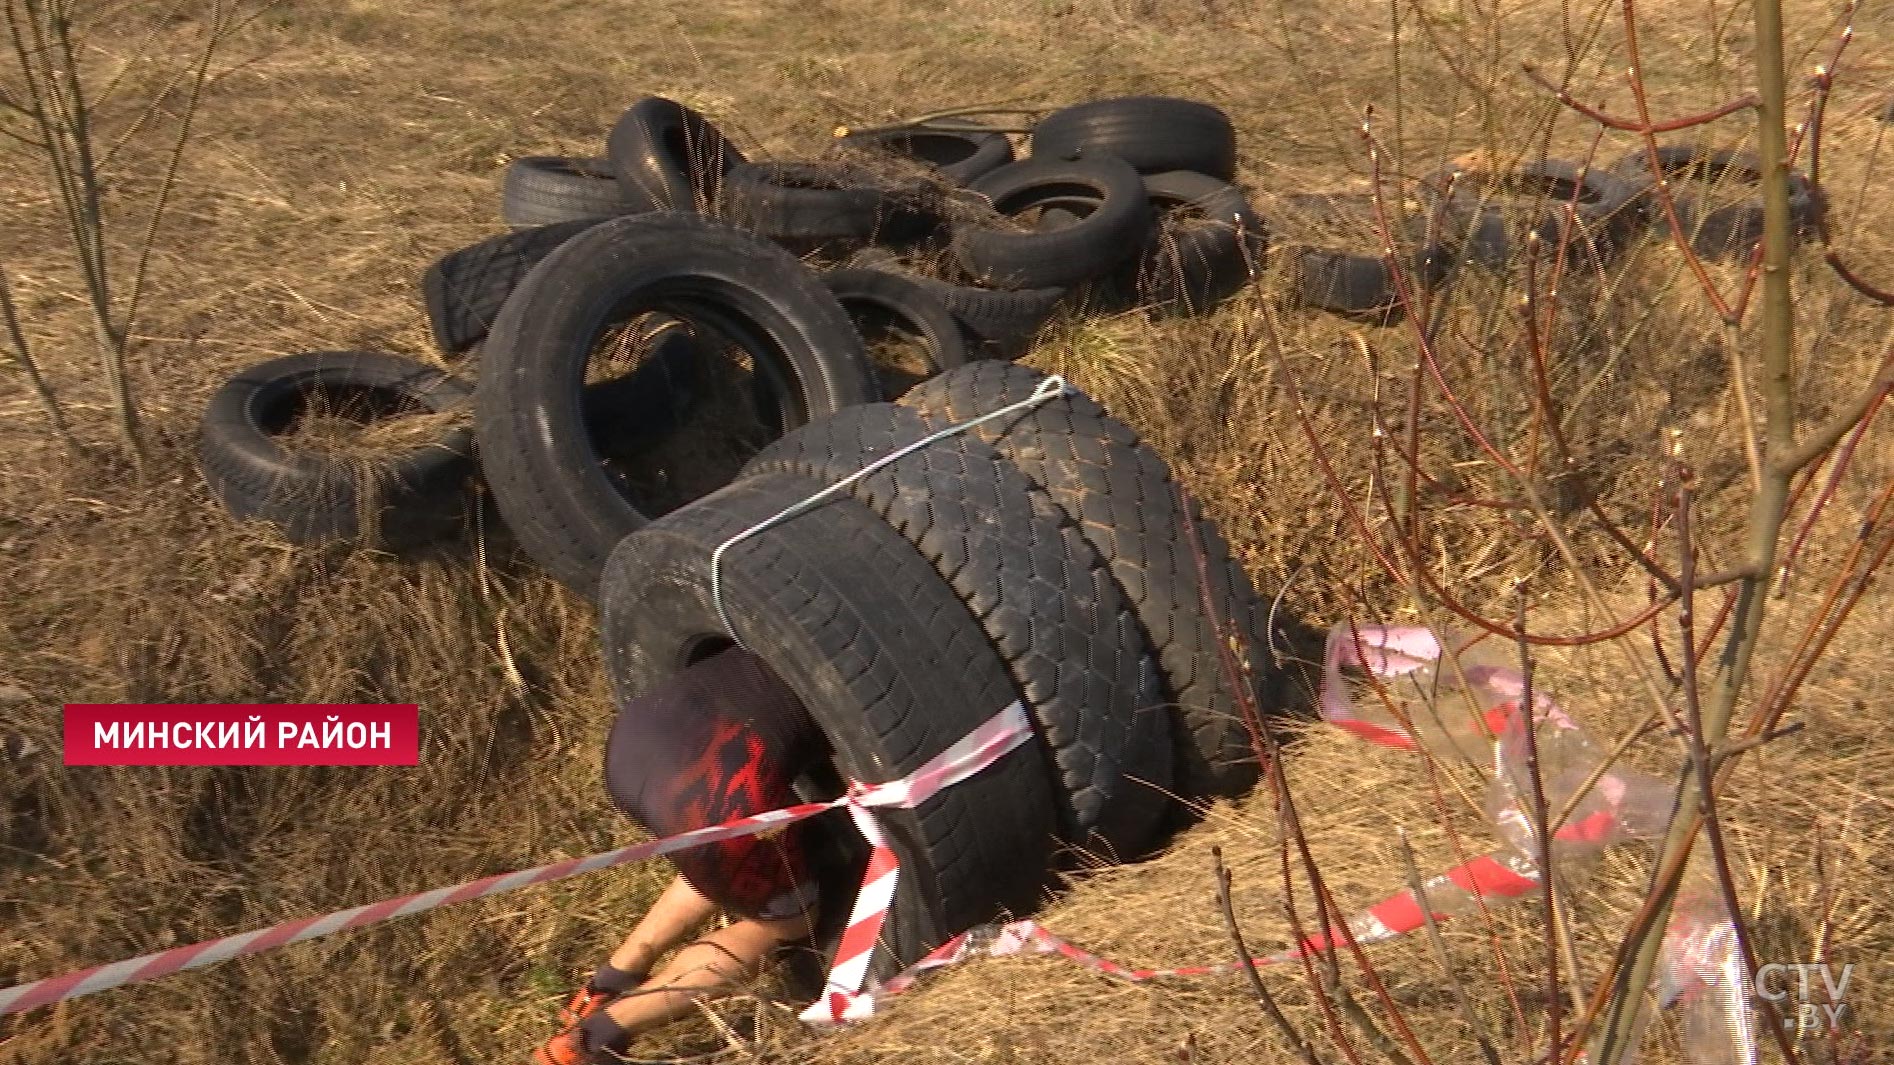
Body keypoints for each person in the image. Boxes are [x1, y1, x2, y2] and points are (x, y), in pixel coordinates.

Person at [535, 645, 829, 1065]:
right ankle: (591, 1039)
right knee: (791, 919)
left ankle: (610, 981)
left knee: (715, 855)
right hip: (710, 778)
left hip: (634, 747)